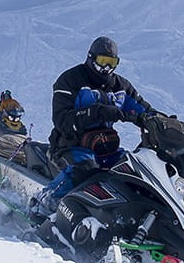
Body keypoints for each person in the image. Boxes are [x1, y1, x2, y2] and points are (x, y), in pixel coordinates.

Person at [33, 36, 156, 214]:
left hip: (105, 147)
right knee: (86, 168)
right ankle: (43, 203)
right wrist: (97, 111)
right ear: (91, 58)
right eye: (102, 61)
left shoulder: (121, 86)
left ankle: (124, 215)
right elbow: (62, 120)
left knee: (132, 169)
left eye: (111, 63)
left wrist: (164, 122)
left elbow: (143, 109)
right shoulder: (71, 80)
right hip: (71, 144)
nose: (106, 68)